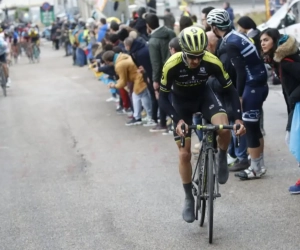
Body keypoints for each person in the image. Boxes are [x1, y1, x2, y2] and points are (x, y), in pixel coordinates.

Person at [159, 26, 245, 223]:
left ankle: (222, 155)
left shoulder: (211, 61)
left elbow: (230, 90)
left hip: (204, 97)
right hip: (181, 104)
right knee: (184, 153)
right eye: (191, 56)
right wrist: (177, 120)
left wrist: (238, 119)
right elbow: (162, 98)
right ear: (183, 51)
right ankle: (189, 197)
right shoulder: (171, 64)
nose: (196, 61)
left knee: (223, 126)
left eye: (200, 56)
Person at [207, 9, 269, 180]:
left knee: (249, 129)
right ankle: (258, 164)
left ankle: (256, 168)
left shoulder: (230, 43)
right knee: (254, 128)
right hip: (259, 83)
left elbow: (240, 72)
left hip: (252, 85)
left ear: (214, 27)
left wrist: (239, 96)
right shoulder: (236, 36)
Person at [260, 29, 300, 193]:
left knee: (293, 140)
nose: (262, 43)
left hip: (297, 104)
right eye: (261, 40)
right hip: (295, 105)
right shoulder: (278, 60)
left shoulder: (286, 61)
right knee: (293, 139)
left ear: (275, 41)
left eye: (266, 40)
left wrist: (293, 99)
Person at [103, 50, 153, 126]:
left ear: (107, 61)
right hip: (141, 77)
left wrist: (114, 85)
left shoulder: (119, 65)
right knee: (143, 97)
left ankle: (141, 118)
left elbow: (123, 82)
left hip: (139, 79)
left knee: (137, 97)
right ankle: (149, 116)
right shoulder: (122, 56)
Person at [145, 13, 176, 133]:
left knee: (163, 98)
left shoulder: (153, 41)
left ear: (148, 25)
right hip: (177, 68)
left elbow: (156, 63)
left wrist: (155, 80)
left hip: (164, 73)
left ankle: (163, 123)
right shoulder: (170, 32)